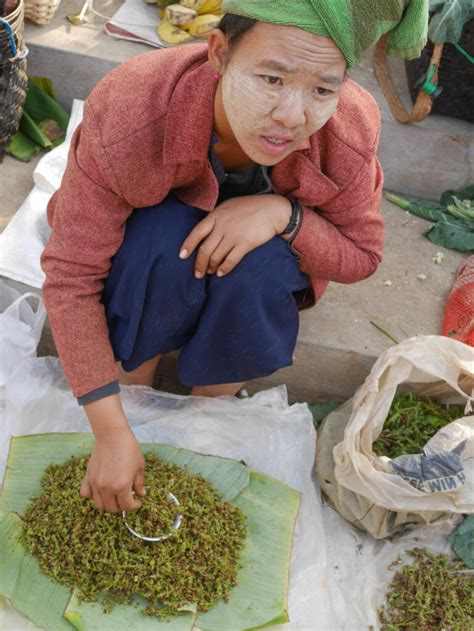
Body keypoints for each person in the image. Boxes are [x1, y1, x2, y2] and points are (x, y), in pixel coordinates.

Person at [40, 0, 428, 513]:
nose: (291, 117)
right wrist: (109, 427)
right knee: (158, 235)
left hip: (259, 263)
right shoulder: (135, 107)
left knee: (264, 265)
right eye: (270, 78)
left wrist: (282, 216)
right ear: (219, 52)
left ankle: (211, 411)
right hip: (154, 244)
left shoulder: (347, 129)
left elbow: (361, 254)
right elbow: (71, 275)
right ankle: (134, 390)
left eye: (323, 88)